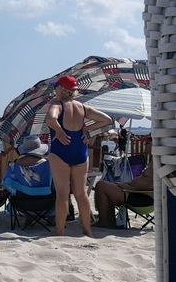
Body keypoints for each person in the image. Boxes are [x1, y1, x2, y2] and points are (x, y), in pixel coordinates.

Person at [46, 75, 113, 236]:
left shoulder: (57, 104)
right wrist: (88, 130)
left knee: (62, 194)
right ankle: (87, 230)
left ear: (61, 89)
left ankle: (60, 232)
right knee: (81, 194)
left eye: (56, 87)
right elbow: (107, 120)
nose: (54, 90)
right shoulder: (82, 107)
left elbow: (50, 119)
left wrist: (59, 130)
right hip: (80, 152)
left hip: (61, 152)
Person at [94, 163, 153, 228]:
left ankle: (105, 222)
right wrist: (126, 185)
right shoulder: (156, 163)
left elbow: (152, 186)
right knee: (105, 186)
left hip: (140, 198)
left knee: (101, 186)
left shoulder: (158, 168)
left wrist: (129, 188)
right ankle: (109, 220)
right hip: (134, 193)